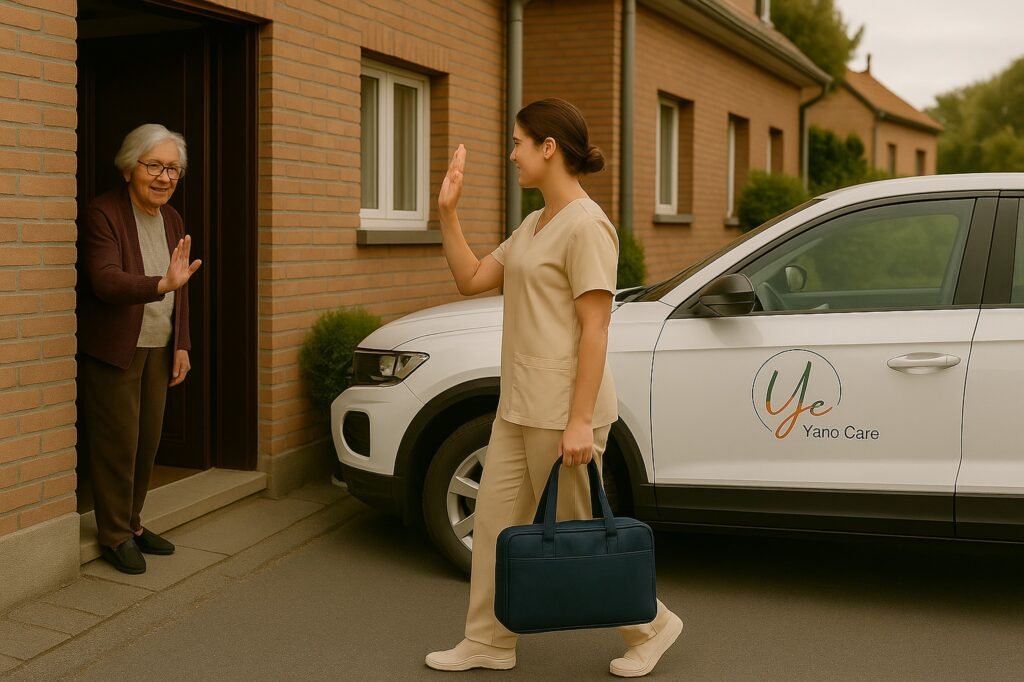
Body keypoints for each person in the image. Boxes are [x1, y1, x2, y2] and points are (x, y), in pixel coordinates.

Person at [426, 99, 683, 677]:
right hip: (517, 406)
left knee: (584, 530)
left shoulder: (588, 225)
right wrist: (448, 213)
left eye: (518, 142)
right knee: (493, 525)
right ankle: (488, 641)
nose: (511, 153)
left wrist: (577, 421)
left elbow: (596, 329)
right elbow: (471, 279)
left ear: (548, 148)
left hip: (566, 410)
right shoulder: (535, 222)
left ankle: (654, 626)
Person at [77, 123, 202, 575]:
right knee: (117, 444)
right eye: (154, 165)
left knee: (146, 443)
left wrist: (181, 343)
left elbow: (181, 288)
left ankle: (132, 523)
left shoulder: (172, 219)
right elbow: (105, 280)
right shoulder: (103, 214)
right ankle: (111, 533)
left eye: (173, 168)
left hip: (159, 346)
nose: (164, 177)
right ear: (129, 167)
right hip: (115, 349)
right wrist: (159, 285)